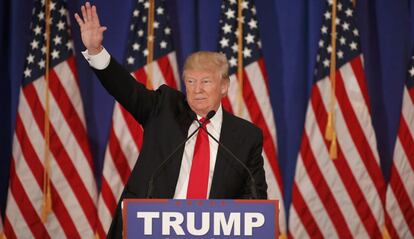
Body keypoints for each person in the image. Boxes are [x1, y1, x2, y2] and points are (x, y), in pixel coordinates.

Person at [75, 2, 267, 238]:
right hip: (146, 231)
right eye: (191, 81)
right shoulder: (163, 107)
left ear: (224, 86)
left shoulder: (246, 137)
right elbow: (126, 89)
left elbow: (255, 203)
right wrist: (96, 51)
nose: (197, 90)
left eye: (206, 81)